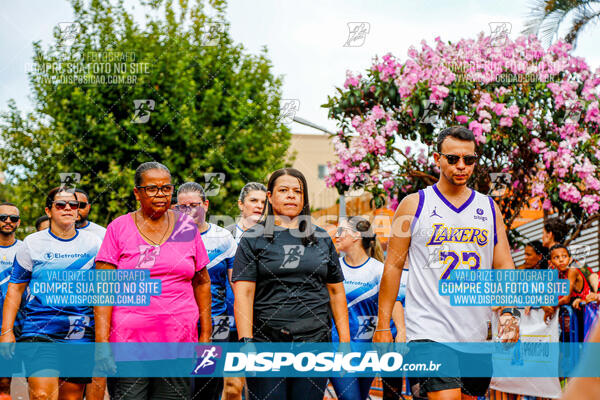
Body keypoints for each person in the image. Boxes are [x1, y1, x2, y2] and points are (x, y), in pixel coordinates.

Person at [374, 126, 519, 400]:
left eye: (469, 159)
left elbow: (504, 266)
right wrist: (383, 326)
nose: (461, 166)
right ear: (437, 159)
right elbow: (392, 266)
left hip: (476, 332)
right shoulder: (413, 205)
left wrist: (509, 312)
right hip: (429, 330)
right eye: (452, 159)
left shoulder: (489, 209)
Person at [94, 162, 212, 400]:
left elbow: (202, 282)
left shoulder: (186, 227)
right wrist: (102, 344)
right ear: (137, 192)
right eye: (152, 188)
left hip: (178, 343)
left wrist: (205, 336)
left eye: (166, 188)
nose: (161, 194)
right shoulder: (118, 228)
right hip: (129, 344)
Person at [232, 168, 350, 400]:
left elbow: (336, 292)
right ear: (270, 196)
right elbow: (243, 294)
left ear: (304, 198)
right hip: (266, 343)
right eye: (283, 190)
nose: (291, 196)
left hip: (315, 343)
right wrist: (246, 343)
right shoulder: (252, 239)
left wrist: (344, 343)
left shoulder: (322, 238)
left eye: (297, 191)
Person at [1, 188, 102, 400]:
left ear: (77, 211)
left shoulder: (94, 243)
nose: (67, 208)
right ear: (49, 210)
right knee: (41, 395)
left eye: (73, 205)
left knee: (71, 398)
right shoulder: (32, 243)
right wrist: (7, 331)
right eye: (60, 205)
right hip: (39, 328)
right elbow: (15, 288)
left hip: (79, 330)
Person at [330, 216, 404, 400]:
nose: (336, 236)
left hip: (368, 350)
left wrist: (401, 333)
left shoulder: (379, 270)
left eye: (341, 231)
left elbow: (394, 301)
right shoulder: (333, 268)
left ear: (356, 235)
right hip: (338, 347)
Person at [175, 181, 237, 400]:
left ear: (206, 205)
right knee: (181, 385)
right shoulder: (169, 239)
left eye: (195, 205)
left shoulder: (224, 238)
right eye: (183, 206)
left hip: (217, 322)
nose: (189, 211)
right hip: (180, 322)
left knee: (207, 384)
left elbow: (236, 287)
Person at [224, 182, 266, 400]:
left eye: (262, 202)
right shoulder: (224, 236)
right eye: (253, 201)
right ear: (241, 204)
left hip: (262, 321)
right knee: (232, 387)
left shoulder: (272, 238)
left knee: (257, 388)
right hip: (228, 320)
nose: (259, 206)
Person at [0, 203, 25, 398]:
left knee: (4, 382)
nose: (8, 221)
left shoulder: (26, 250)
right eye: (3, 218)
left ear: (19, 223)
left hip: (16, 325)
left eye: (13, 218)